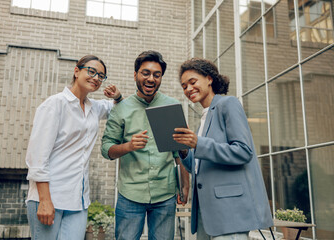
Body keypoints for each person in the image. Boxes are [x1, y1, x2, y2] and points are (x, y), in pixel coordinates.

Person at [173, 58, 273, 239]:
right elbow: (196, 167)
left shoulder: (228, 104)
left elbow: (243, 151)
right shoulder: (203, 120)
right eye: (184, 86)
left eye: (192, 82)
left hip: (229, 213)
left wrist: (198, 143)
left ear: (209, 79)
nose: (188, 89)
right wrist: (185, 150)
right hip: (206, 214)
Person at [25, 55, 123, 240]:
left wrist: (117, 95)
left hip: (78, 200)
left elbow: (118, 107)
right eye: (91, 71)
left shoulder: (94, 107)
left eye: (101, 76)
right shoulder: (55, 104)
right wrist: (45, 200)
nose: (96, 78)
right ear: (76, 71)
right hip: (50, 196)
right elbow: (37, 157)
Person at [101, 50, 189, 240]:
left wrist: (185, 184)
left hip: (165, 194)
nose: (151, 79)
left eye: (156, 75)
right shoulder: (121, 109)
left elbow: (179, 152)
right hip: (130, 194)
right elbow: (106, 149)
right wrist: (128, 147)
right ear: (135, 75)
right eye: (145, 73)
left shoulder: (171, 106)